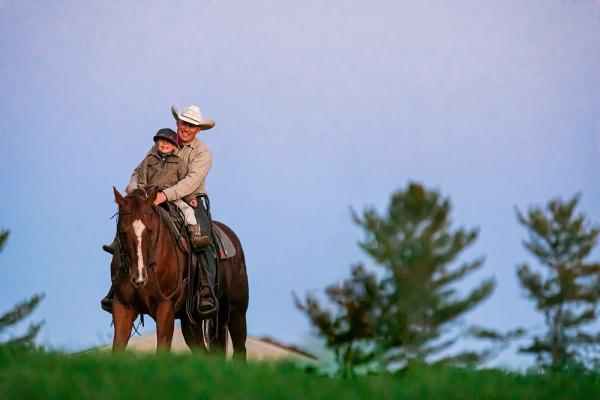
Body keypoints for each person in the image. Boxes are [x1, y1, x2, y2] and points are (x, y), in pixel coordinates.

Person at [101, 105, 218, 316]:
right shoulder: (161, 143)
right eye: (184, 123)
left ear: (198, 129)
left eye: (192, 125)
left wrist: (165, 196)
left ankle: (205, 289)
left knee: (204, 238)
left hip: (189, 198)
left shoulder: (203, 153)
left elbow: (191, 182)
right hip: (151, 197)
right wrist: (136, 191)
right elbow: (140, 169)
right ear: (178, 123)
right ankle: (117, 287)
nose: (187, 128)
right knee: (130, 223)